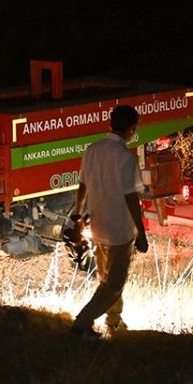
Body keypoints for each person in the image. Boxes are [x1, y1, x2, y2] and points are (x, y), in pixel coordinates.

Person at [70, 105, 149, 338]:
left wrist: (77, 218)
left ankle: (113, 320)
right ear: (132, 129)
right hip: (120, 230)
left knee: (107, 279)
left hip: (98, 225)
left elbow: (82, 186)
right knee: (114, 283)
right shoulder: (125, 157)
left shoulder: (93, 150)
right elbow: (131, 197)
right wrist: (141, 232)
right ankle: (81, 324)